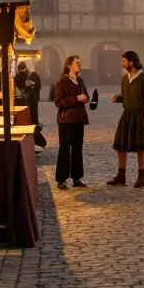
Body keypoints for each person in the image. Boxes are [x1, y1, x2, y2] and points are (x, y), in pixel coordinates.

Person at [107, 51, 144, 188]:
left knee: (141, 147)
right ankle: (121, 176)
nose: (122, 63)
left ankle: (141, 178)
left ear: (131, 62)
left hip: (140, 115)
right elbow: (125, 96)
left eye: (124, 61)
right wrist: (118, 98)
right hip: (127, 115)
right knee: (120, 146)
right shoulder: (125, 79)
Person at [52, 55, 89, 190]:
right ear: (69, 65)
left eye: (80, 62)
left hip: (79, 119)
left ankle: (77, 178)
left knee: (78, 149)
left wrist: (86, 99)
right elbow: (59, 102)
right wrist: (76, 99)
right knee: (64, 149)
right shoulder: (62, 82)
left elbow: (85, 95)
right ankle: (61, 179)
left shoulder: (80, 81)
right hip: (66, 120)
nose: (80, 65)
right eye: (77, 63)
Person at [15, 62, 47, 149]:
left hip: (23, 102)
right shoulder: (27, 76)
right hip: (30, 101)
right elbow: (32, 85)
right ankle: (39, 141)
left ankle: (37, 140)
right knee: (33, 119)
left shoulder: (17, 77)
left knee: (30, 120)